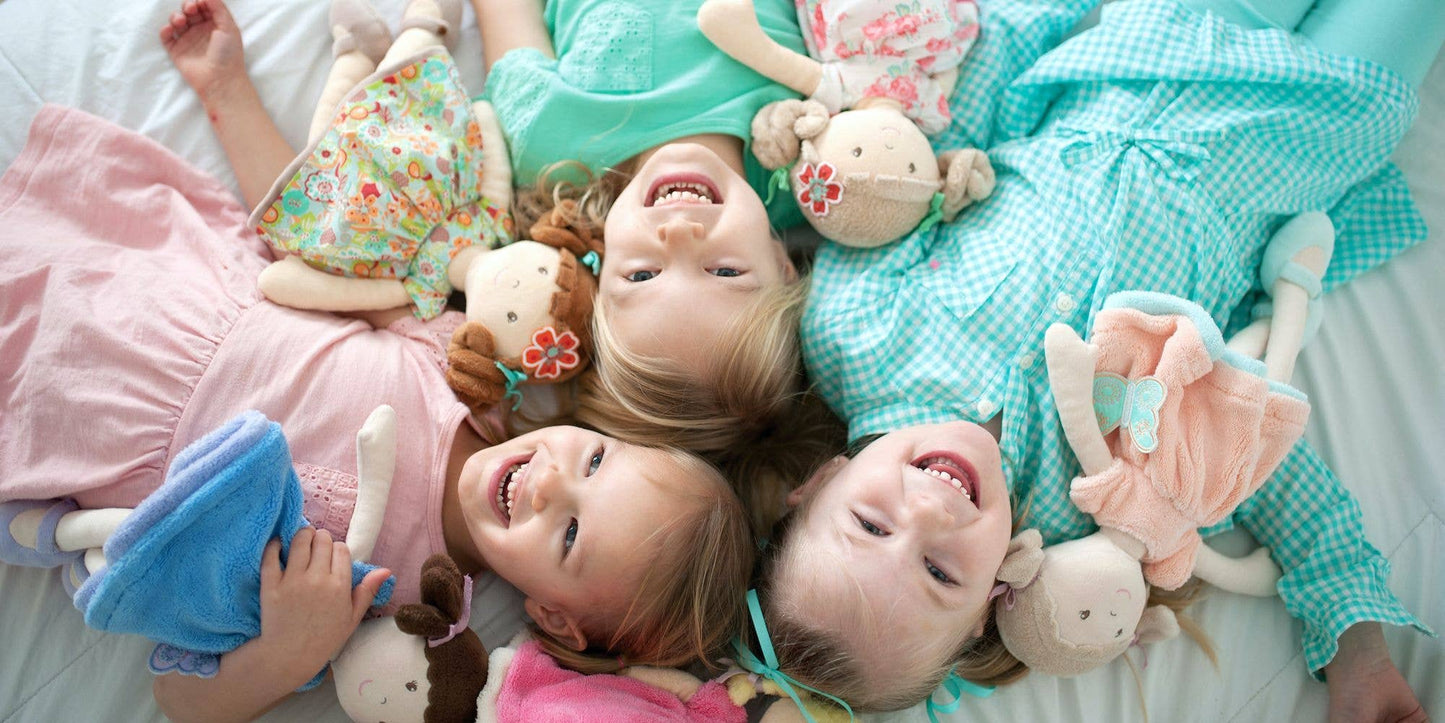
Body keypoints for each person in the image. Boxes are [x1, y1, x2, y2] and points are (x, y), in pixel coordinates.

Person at [0, 3, 753, 721]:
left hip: (94, 424)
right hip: (168, 288)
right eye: (593, 460)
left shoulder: (395, 606)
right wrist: (226, 91)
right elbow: (316, 240)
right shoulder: (465, 373)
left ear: (555, 617)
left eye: (570, 534)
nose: (551, 483)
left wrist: (289, 648)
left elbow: (180, 701)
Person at [748, 0, 1445, 719]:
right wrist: (1360, 654)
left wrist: (1048, 12)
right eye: (940, 571)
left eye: (871, 524)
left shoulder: (851, 331)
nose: (931, 510)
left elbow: (924, 153)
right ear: (989, 603)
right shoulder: (1096, 508)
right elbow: (1254, 459)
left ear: (820, 482)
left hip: (1146, 48)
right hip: (1303, 131)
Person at [470, 0, 815, 454]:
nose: (679, 235)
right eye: (725, 271)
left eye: (642, 275)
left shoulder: (547, 145)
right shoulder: (812, 162)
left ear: (599, 275)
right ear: (781, 264)